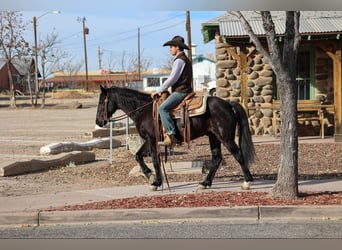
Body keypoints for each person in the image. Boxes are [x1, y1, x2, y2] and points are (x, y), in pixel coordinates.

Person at [151, 35, 193, 147]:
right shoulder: (185, 59)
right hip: (185, 89)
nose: (170, 49)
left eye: (171, 47)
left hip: (181, 91)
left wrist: (159, 90)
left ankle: (172, 135)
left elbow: (172, 78)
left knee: (162, 108)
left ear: (177, 47)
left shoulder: (179, 61)